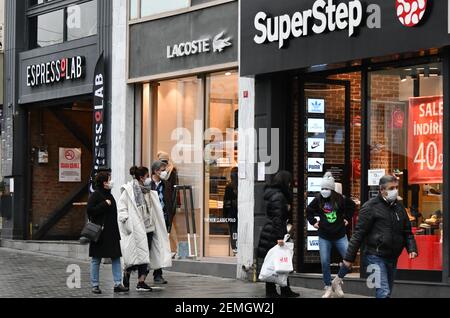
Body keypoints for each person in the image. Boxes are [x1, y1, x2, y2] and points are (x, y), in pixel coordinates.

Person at [343, 175, 418, 298]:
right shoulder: (370, 207)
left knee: (386, 291)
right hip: (374, 256)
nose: (395, 191)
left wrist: (412, 248)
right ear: (382, 190)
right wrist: (349, 258)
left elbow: (407, 231)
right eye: (391, 188)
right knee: (384, 292)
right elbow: (358, 234)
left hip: (392, 257)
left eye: (396, 187)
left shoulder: (399, 207)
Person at [307, 172, 356, 298]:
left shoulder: (340, 198)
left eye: (327, 188)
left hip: (340, 235)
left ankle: (337, 281)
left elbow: (352, 206)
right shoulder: (318, 199)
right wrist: (313, 222)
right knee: (324, 261)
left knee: (349, 259)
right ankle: (328, 286)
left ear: (332, 189)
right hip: (324, 236)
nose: (324, 191)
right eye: (322, 188)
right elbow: (309, 210)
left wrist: (346, 218)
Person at [257, 171, 300, 298]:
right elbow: (278, 218)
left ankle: (284, 289)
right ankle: (272, 291)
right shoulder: (279, 196)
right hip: (274, 232)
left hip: (270, 230)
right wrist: (280, 237)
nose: (290, 185)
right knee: (277, 261)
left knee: (280, 261)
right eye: (289, 182)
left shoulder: (271, 193)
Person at [87, 171, 128, 294]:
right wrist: (104, 204)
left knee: (116, 258)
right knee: (96, 259)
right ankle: (95, 285)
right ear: (104, 182)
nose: (111, 182)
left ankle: (117, 284)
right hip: (100, 232)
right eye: (109, 180)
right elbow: (90, 211)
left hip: (112, 232)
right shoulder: (95, 195)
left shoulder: (109, 195)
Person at [150, 161, 172, 284]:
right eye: (162, 170)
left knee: (160, 246)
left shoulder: (166, 184)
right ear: (155, 171)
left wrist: (170, 216)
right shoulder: (148, 184)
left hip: (163, 218)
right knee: (149, 246)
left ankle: (158, 273)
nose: (164, 172)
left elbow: (169, 200)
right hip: (151, 219)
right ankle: (142, 273)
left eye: (164, 169)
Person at [157, 151, 179, 255]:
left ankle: (175, 248)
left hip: (169, 202)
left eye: (164, 161)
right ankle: (168, 249)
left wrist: (175, 203)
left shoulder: (171, 171)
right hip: (161, 201)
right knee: (165, 226)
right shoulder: (160, 171)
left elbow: (174, 188)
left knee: (170, 225)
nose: (163, 163)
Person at [224, 167, 238, 255]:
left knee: (233, 232)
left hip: (231, 213)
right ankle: (236, 249)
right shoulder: (232, 187)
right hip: (234, 213)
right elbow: (226, 202)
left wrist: (225, 215)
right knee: (235, 232)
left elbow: (225, 202)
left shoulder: (229, 186)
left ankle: (235, 250)